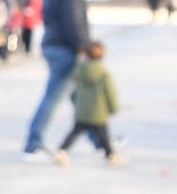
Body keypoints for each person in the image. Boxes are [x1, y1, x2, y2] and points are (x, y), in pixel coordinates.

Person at [22, 0, 96, 159]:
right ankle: (33, 144)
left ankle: (101, 141)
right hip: (67, 49)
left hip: (54, 45)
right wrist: (83, 49)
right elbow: (74, 22)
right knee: (53, 97)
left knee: (81, 99)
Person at [50, 39, 123, 167]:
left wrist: (76, 103)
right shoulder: (104, 73)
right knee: (103, 136)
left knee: (74, 133)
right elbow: (110, 92)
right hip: (98, 113)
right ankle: (111, 155)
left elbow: (73, 92)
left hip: (82, 111)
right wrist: (113, 108)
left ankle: (62, 151)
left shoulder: (80, 71)